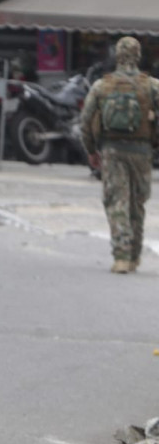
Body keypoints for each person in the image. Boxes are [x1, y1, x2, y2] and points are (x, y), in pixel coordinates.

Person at [79, 36, 159, 274]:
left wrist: (91, 150)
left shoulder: (102, 86)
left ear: (116, 56)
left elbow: (85, 121)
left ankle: (121, 257)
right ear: (138, 56)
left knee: (117, 202)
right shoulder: (152, 85)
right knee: (137, 203)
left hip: (112, 151)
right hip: (142, 152)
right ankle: (134, 256)